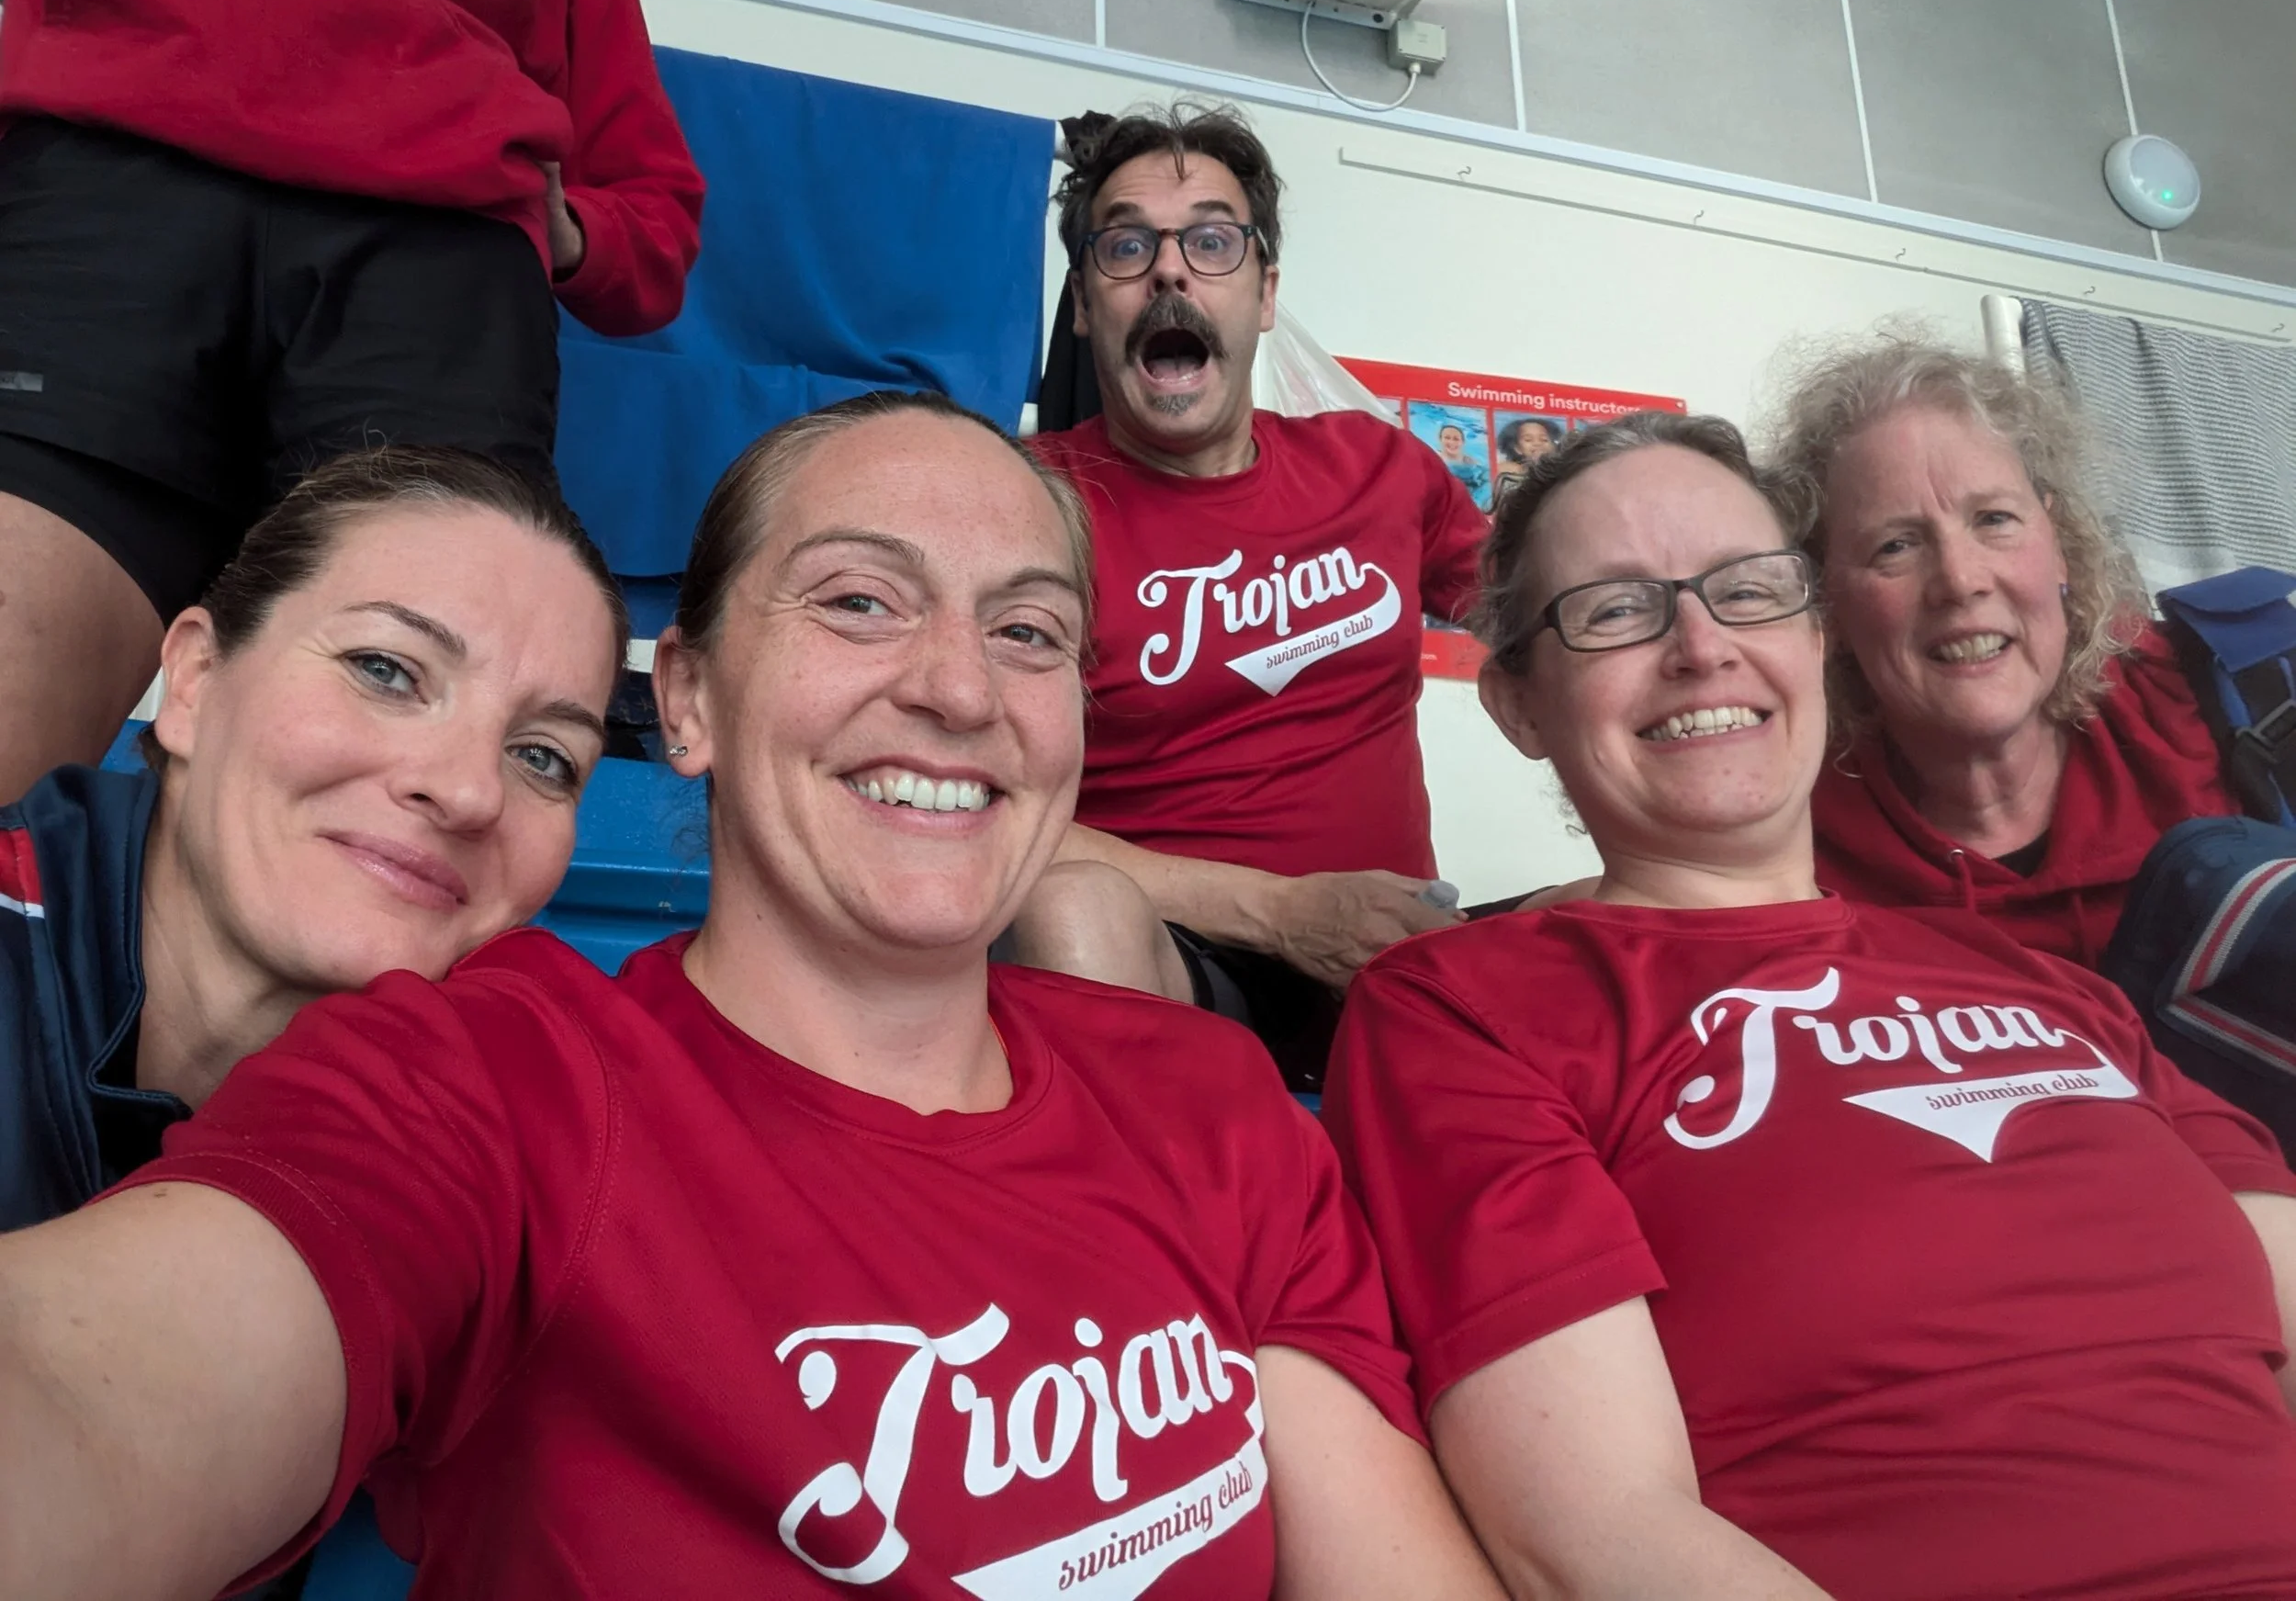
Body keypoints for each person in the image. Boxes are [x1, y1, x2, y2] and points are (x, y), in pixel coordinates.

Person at [0, 390, 1505, 1601]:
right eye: (860, 600)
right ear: (696, 697)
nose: (963, 689)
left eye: (1030, 630)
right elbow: (95, 1394)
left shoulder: (1211, 1099)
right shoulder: (509, 1079)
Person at [1325, 411, 2296, 1600]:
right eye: (1618, 609)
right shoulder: (1469, 1006)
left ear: (1812, 636)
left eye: (1747, 589)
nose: (1700, 645)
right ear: (1521, 706)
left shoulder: (2040, 986)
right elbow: (1596, 1528)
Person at [0, 0, 704, 800]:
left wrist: (569, 228)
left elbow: (657, 221)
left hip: (432, 262)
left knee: (401, 792)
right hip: (116, 198)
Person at [1, 445, 627, 1235]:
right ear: (195, 678)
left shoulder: (513, 1149)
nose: (470, 792)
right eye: (386, 670)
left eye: (543, 757)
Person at [1013, 103, 1486, 1084]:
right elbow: (982, 808)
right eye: (1127, 244)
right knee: (1070, 918)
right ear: (1086, 304)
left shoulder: (1381, 469)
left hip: (1399, 952)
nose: (1170, 269)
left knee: (1637, 910)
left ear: (1264, 294)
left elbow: (1558, 624)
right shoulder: (1017, 504)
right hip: (1176, 963)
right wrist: (1279, 912)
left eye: (1213, 242)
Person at [1766, 333, 2235, 966]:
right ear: (1828, 603)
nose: (1961, 581)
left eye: (1994, 520)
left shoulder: (2237, 696)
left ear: (2059, 541)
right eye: (1895, 546)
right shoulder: (1780, 851)